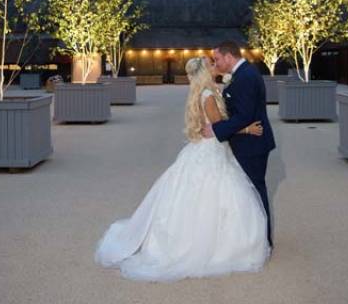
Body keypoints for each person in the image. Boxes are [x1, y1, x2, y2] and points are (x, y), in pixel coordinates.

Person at [94, 55, 270, 282]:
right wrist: (247, 130)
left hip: (205, 149)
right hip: (211, 152)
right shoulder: (207, 96)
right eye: (210, 65)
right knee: (214, 196)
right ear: (204, 72)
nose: (214, 65)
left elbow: (214, 127)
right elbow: (221, 128)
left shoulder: (204, 92)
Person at [206, 41, 276, 247]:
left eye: (217, 59)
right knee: (248, 192)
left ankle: (263, 241)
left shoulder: (245, 76)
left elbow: (244, 116)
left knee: (254, 192)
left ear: (229, 57)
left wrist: (216, 129)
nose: (216, 63)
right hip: (247, 141)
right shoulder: (243, 73)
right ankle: (252, 237)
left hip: (252, 144)